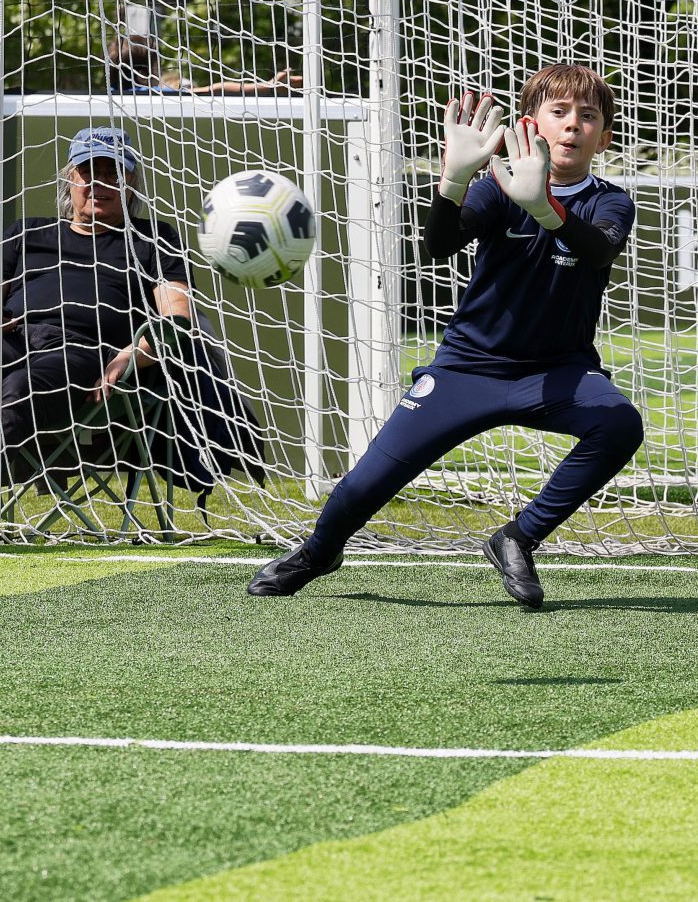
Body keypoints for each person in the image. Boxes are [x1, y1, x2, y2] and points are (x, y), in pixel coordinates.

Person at [248, 65, 642, 608]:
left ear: (606, 137)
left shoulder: (611, 201)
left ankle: (517, 537)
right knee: (363, 486)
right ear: (529, 125)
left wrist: (546, 210)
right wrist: (453, 183)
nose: (573, 125)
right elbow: (438, 245)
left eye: (588, 116)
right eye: (559, 112)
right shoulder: (496, 190)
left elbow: (598, 251)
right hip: (466, 370)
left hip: (558, 373)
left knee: (620, 425)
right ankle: (319, 552)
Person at [0, 126, 195, 526]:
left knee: (20, 386)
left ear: (131, 184)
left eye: (113, 174)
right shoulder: (27, 233)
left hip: (85, 353)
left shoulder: (153, 238)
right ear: (69, 178)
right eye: (89, 173)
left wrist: (134, 354)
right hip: (11, 336)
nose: (100, 184)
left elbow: (177, 319)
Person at [105, 33, 299, 96]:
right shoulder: (156, 97)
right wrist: (268, 86)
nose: (160, 72)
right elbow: (215, 89)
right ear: (142, 74)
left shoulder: (109, 96)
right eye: (157, 67)